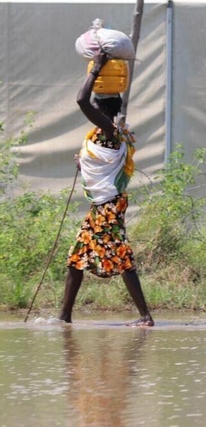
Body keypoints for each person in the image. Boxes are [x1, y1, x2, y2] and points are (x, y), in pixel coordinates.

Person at [59, 50, 154, 327]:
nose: (92, 108)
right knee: (76, 258)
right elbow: (104, 166)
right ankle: (64, 318)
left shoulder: (111, 130)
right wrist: (83, 164)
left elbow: (80, 100)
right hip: (101, 205)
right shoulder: (107, 135)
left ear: (102, 110)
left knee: (122, 257)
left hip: (108, 206)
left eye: (96, 105)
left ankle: (145, 317)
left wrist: (96, 68)